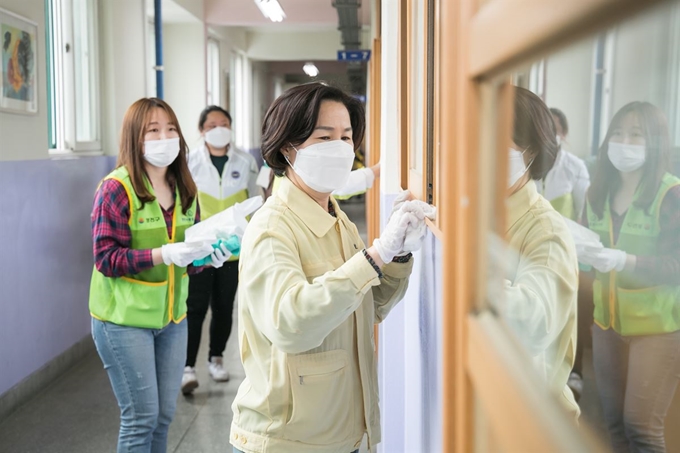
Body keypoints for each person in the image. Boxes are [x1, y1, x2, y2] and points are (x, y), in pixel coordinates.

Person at [229, 82, 433, 453]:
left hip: (343, 433)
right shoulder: (272, 227)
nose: (340, 148)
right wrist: (374, 256)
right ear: (288, 147)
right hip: (288, 440)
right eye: (325, 137)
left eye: (346, 137)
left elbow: (371, 306)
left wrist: (397, 255)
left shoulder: (337, 219)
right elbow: (290, 325)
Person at [89, 97, 230, 452]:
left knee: (164, 417)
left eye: (170, 129)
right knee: (140, 420)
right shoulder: (116, 189)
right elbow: (106, 258)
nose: (164, 137)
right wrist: (161, 253)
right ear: (135, 138)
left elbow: (188, 253)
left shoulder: (185, 188)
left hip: (172, 319)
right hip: (123, 320)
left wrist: (209, 257)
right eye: (153, 130)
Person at [579, 101, 680, 452]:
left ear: (655, 141)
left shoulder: (671, 193)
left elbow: (676, 266)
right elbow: (588, 255)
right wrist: (579, 251)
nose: (624, 142)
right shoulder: (596, 193)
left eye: (636, 135)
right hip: (607, 327)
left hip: (657, 330)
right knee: (614, 427)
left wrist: (626, 260)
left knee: (641, 429)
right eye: (618, 133)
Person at [500, 87, 580, 417]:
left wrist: (468, 262)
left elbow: (534, 325)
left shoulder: (547, 233)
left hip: (535, 418)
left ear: (529, 152)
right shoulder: (481, 209)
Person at [181, 106, 262, 394]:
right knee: (195, 308)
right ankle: (188, 366)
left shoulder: (245, 161)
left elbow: (257, 201)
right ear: (201, 130)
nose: (219, 128)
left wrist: (250, 238)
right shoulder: (190, 162)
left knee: (224, 307)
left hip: (233, 249)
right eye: (212, 124)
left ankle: (216, 358)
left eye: (224, 123)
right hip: (201, 248)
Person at [538, 107, 591, 402]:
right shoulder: (530, 163)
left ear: (564, 134)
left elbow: (586, 216)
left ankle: (575, 372)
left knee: (574, 312)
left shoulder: (575, 167)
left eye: (556, 129)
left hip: (570, 252)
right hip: (535, 254)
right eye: (546, 128)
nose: (552, 134)